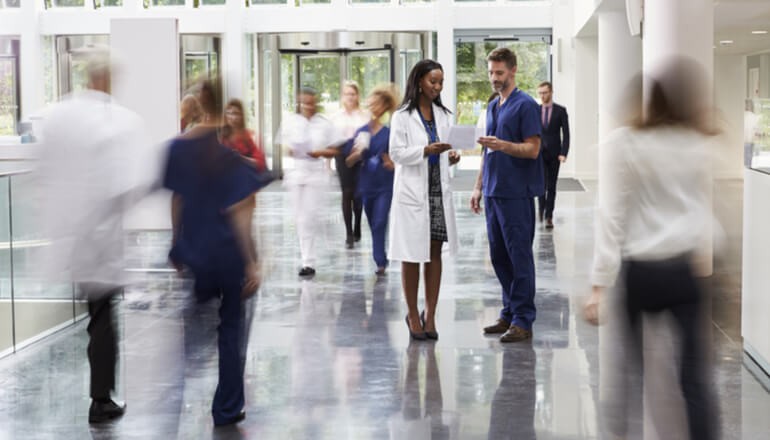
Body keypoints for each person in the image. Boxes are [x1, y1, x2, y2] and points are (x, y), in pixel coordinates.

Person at [583, 58, 720, 440]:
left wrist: (598, 284)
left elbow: (612, 214)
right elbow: (704, 212)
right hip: (683, 271)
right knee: (694, 380)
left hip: (641, 271)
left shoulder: (626, 142)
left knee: (629, 374)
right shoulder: (697, 144)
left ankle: (622, 432)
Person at [35, 50, 155, 423]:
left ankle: (101, 395)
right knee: (102, 319)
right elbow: (130, 183)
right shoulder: (118, 122)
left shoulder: (61, 115)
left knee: (96, 316)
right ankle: (100, 399)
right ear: (106, 79)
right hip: (100, 241)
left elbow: (48, 170)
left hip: (74, 237)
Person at [165, 79, 270, 427]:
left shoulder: (178, 149)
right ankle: (226, 407)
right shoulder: (230, 159)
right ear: (223, 107)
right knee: (231, 328)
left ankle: (173, 402)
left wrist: (176, 243)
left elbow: (177, 198)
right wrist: (252, 262)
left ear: (197, 105)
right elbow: (241, 212)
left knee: (193, 331)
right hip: (228, 254)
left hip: (196, 249)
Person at [471, 47, 543, 343]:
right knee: (499, 257)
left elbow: (533, 149)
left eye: (499, 72)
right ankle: (509, 312)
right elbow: (486, 151)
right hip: (493, 191)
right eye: (491, 72)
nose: (494, 78)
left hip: (516, 193)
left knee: (519, 257)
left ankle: (523, 319)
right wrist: (478, 186)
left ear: (513, 70)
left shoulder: (526, 105)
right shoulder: (492, 106)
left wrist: (504, 145)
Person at [389, 59, 460, 341]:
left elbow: (443, 153)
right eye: (433, 81)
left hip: (437, 193)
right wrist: (425, 150)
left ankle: (430, 315)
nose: (437, 87)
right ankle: (411, 313)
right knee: (411, 255)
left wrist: (449, 157)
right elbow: (396, 153)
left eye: (441, 82)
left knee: (434, 253)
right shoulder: (402, 116)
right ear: (419, 81)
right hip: (412, 194)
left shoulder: (443, 114)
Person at [280, 87, 346, 277]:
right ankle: (306, 258)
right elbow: (284, 146)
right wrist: (292, 150)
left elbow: (337, 149)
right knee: (300, 218)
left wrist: (320, 152)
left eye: (311, 103)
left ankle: (308, 262)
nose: (308, 106)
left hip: (315, 174)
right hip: (297, 173)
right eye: (304, 103)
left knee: (308, 217)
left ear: (316, 102)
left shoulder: (324, 123)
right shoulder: (291, 122)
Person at [345, 84, 399, 275]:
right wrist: (357, 154)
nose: (373, 107)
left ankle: (380, 261)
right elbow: (349, 161)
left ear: (384, 107)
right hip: (367, 185)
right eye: (371, 104)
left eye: (377, 104)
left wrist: (392, 164)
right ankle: (381, 256)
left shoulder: (390, 133)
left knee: (380, 221)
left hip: (385, 184)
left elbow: (398, 160)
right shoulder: (362, 132)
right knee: (373, 222)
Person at [332, 81, 370, 248]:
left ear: (357, 96)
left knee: (358, 194)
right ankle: (348, 233)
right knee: (346, 193)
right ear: (342, 96)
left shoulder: (364, 115)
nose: (350, 97)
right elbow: (331, 141)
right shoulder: (336, 117)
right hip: (342, 157)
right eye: (347, 94)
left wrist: (359, 152)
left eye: (353, 94)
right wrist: (327, 163)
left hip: (360, 156)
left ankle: (357, 226)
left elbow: (368, 136)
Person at [536, 81, 570, 229]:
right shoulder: (535, 110)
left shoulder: (560, 111)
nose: (542, 96)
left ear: (551, 92)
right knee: (540, 185)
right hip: (539, 153)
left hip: (555, 154)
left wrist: (564, 153)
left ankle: (549, 216)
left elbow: (566, 134)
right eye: (540, 93)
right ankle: (541, 211)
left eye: (545, 92)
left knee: (551, 186)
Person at [222, 98, 267, 172]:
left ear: (242, 116)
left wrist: (240, 158)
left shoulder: (248, 136)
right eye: (229, 113)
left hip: (243, 175)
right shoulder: (221, 136)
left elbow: (260, 163)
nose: (232, 117)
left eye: (236, 113)